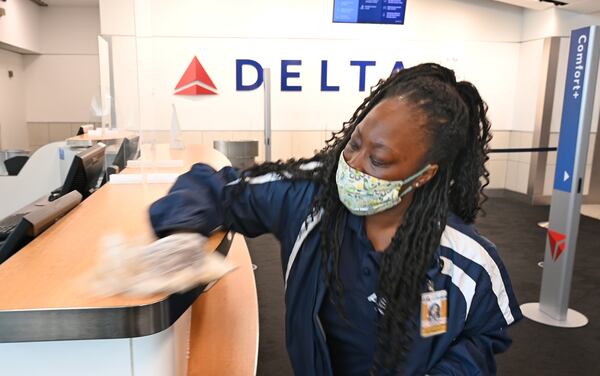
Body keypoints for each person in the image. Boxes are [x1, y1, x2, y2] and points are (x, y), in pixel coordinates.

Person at [149, 63, 522, 375]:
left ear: (424, 175)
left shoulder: (466, 262)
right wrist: (181, 232)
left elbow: (484, 336)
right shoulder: (311, 196)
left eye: (378, 160)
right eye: (355, 143)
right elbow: (218, 189)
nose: (353, 166)